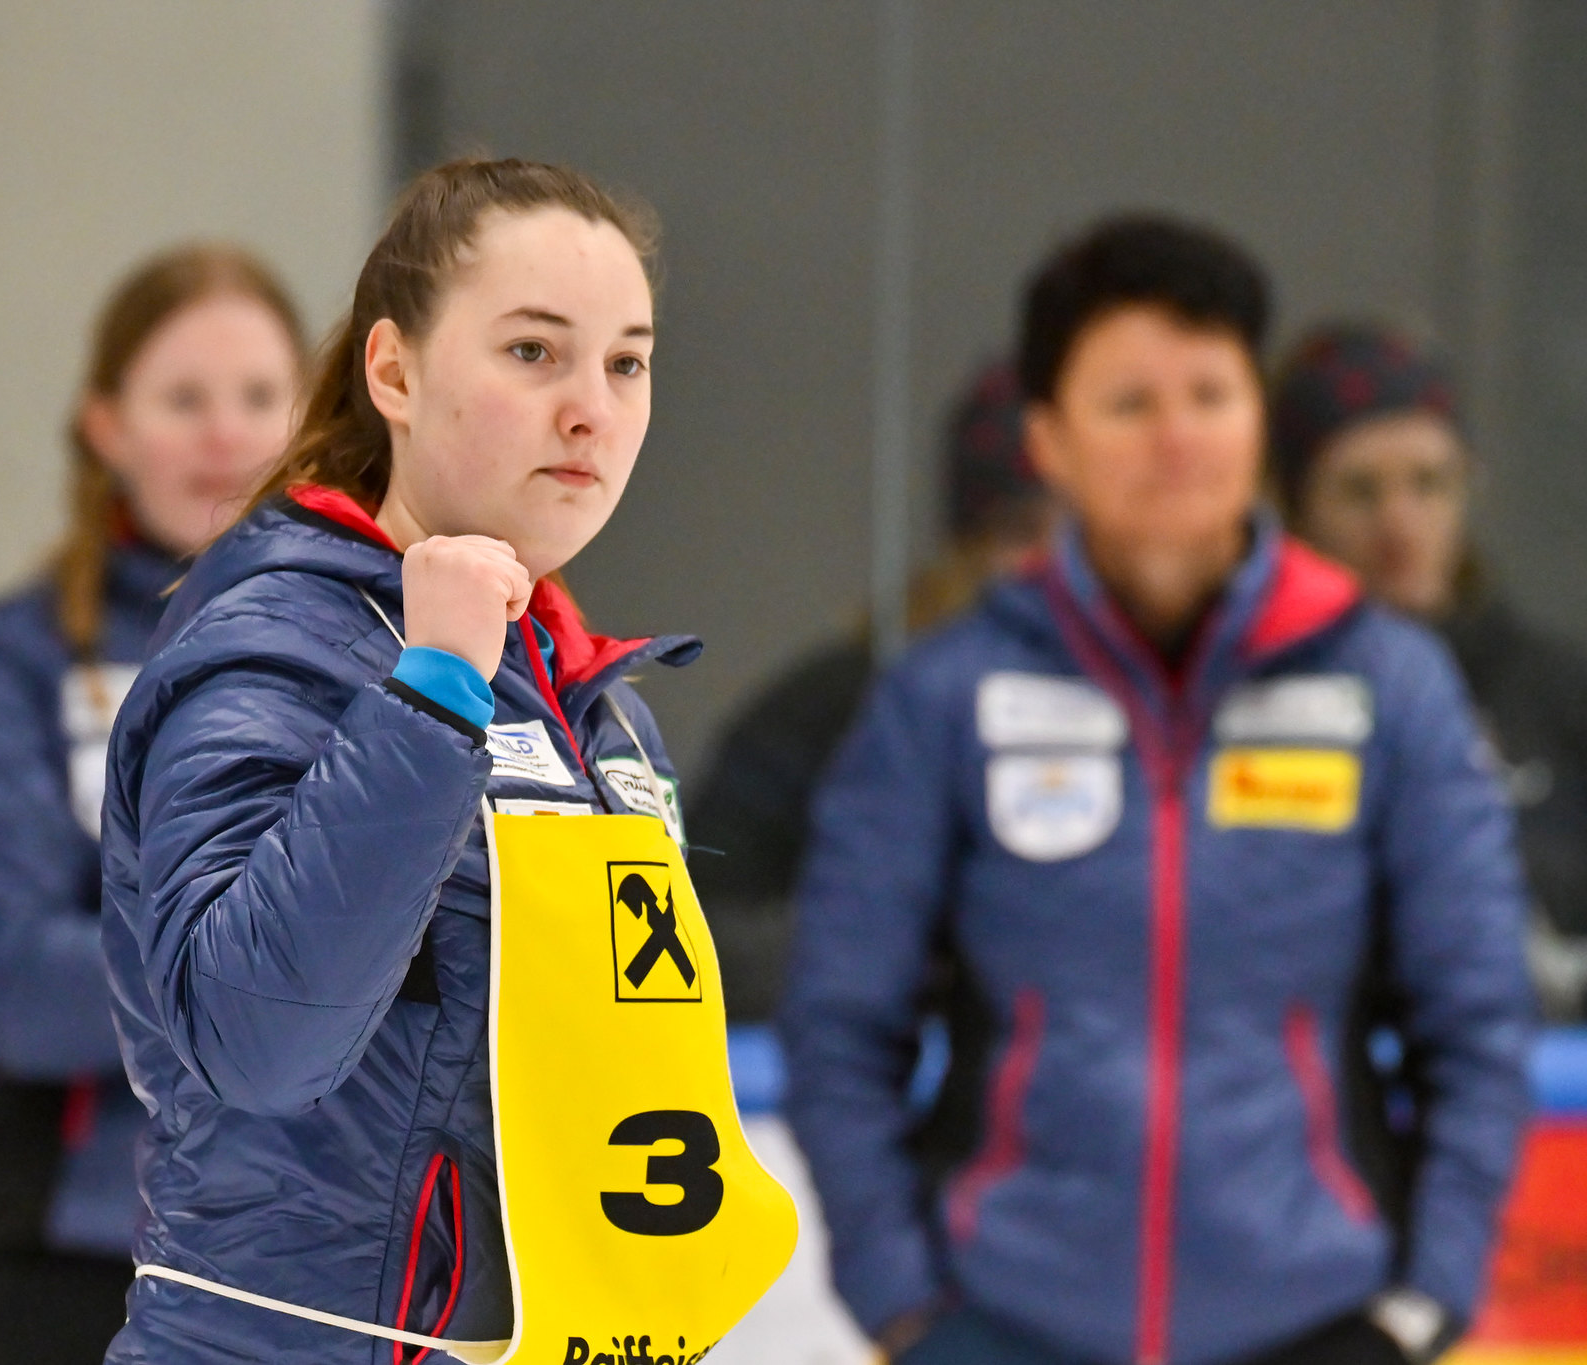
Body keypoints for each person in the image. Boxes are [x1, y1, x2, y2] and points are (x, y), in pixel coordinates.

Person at [782, 215, 1534, 1365]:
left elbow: (1476, 1017)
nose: (1177, 437)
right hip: (1002, 1324)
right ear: (1046, 439)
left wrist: (1419, 1305)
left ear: (1257, 422)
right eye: (1129, 404)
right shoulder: (947, 695)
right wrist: (903, 1306)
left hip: (1319, 1324)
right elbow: (840, 1022)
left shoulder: (1387, 685)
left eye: (1210, 395)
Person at [97, 159, 697, 1363]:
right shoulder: (274, 649)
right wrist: (430, 698)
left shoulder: (601, 701)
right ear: (393, 373)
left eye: (623, 361)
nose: (591, 407)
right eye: (533, 353)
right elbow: (258, 1043)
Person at [0, 243, 307, 1364]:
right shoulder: (11, 659)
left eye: (258, 397)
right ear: (106, 426)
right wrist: (282, 971)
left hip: (324, 1255)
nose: (223, 434)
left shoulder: (376, 649)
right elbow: (22, 991)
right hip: (79, 1253)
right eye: (183, 399)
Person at [686, 359, 1050, 1021]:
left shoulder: (1157, 714)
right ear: (965, 548)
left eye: (1086, 537)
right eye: (1022, 534)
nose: (1054, 567)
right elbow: (688, 934)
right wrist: (893, 943)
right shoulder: (839, 701)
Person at [1274, 323, 1587, 1021]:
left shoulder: (1560, 692)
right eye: (1359, 491)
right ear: (1296, 510)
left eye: (1429, 483)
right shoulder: (1256, 697)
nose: (1399, 522)